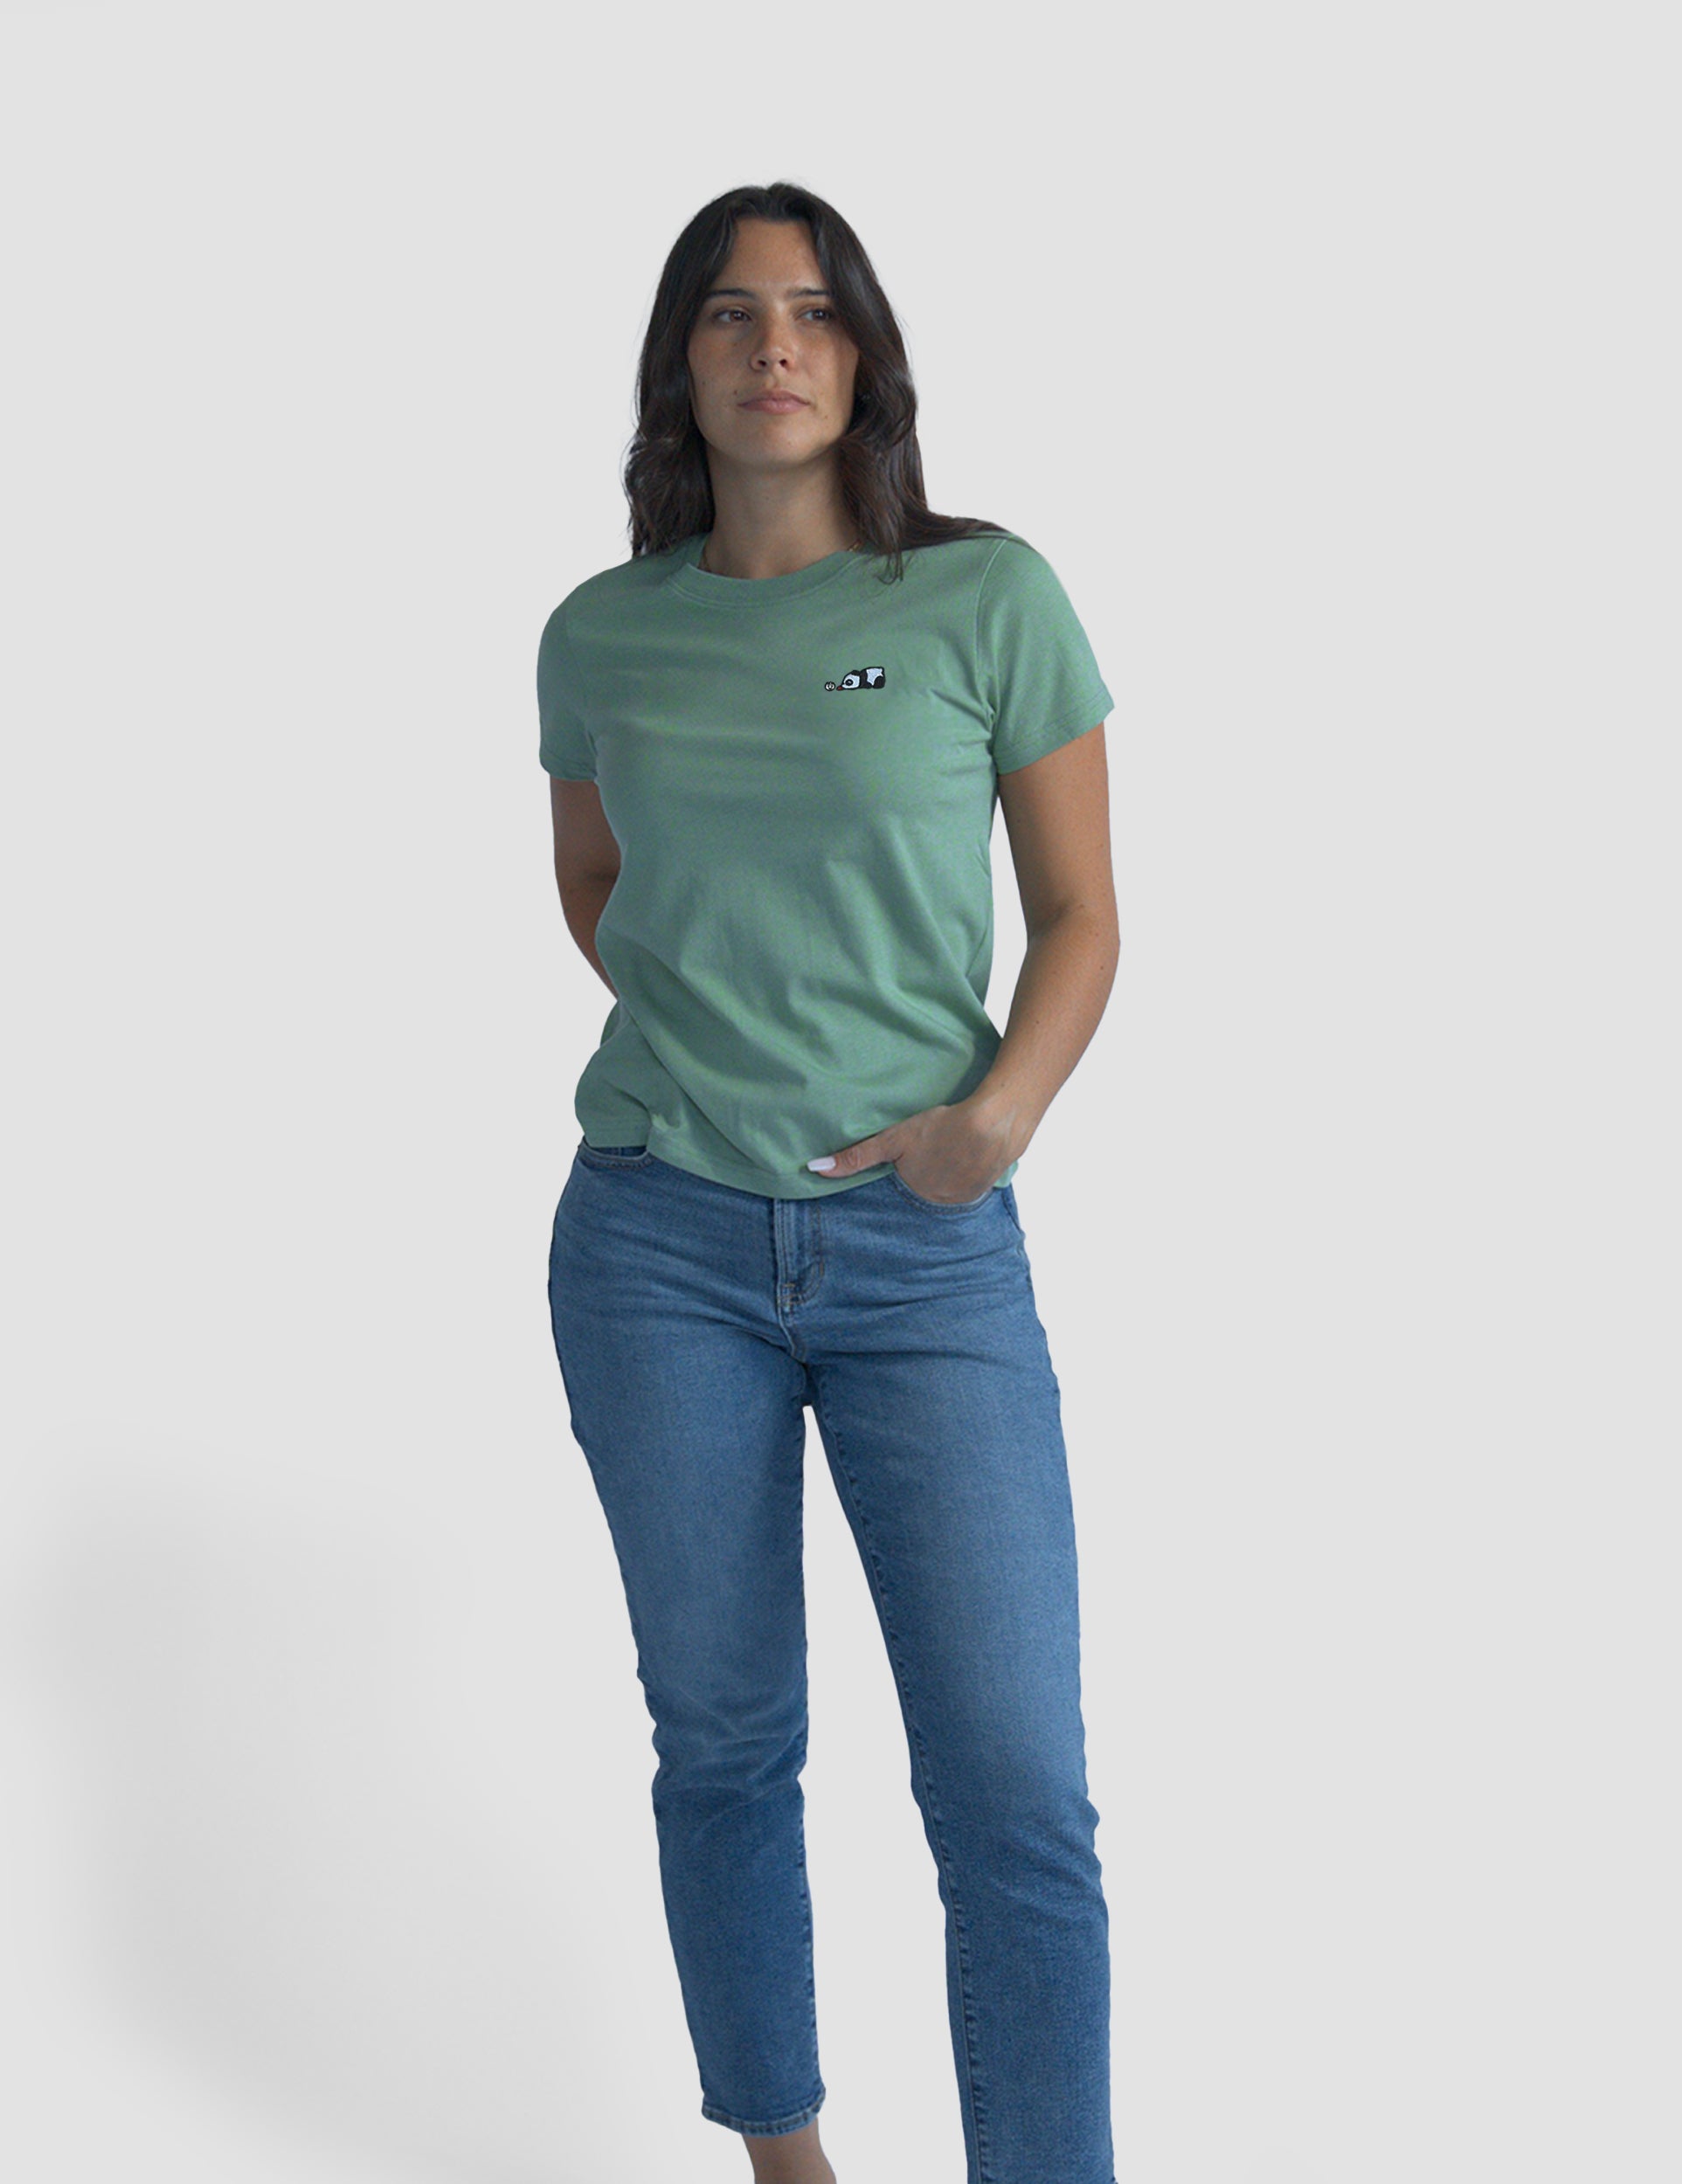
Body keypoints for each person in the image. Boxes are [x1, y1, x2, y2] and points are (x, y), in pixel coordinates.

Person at [537, 180, 1121, 2184]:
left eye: (808, 309)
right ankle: (785, 2166)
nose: (769, 343)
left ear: (862, 354)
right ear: (679, 364)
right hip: (654, 1243)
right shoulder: (601, 631)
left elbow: (1080, 916)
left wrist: (993, 1119)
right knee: (722, 1742)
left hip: (925, 1248)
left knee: (1014, 1783)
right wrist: (722, 1022)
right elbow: (596, 882)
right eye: (727, 312)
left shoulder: (984, 598)